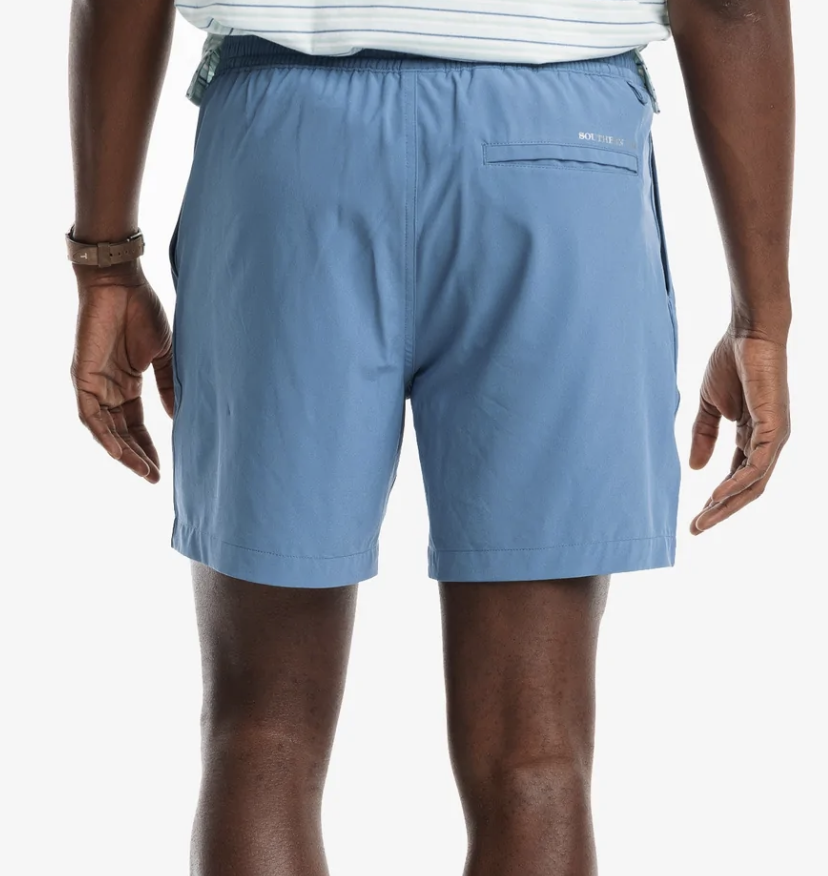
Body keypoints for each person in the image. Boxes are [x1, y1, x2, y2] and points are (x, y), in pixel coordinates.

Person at [67, 0, 793, 873]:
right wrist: (761, 317)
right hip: (559, 156)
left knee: (262, 734)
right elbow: (734, 5)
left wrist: (104, 261)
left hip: (290, 151)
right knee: (536, 757)